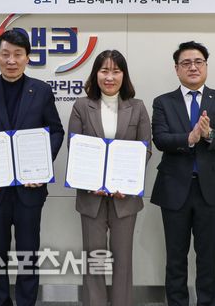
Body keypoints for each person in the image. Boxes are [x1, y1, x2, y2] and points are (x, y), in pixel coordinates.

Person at [0, 29, 64, 306]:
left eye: (18, 54)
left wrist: (43, 167)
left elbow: (56, 131)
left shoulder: (41, 90)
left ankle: (26, 301)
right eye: (5, 54)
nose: (11, 60)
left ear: (27, 57)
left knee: (28, 252)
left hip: (29, 188)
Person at [150, 40, 215, 306]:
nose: (193, 67)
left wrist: (209, 134)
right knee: (175, 257)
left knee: (207, 257)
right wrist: (189, 138)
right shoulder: (163, 102)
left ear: (206, 66)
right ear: (176, 69)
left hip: (211, 189)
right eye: (186, 63)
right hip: (174, 188)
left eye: (198, 62)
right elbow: (160, 139)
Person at [67, 50, 151, 306]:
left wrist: (124, 181)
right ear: (96, 74)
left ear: (124, 75)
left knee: (123, 260)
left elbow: (145, 150)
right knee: (94, 260)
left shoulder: (137, 107)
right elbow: (75, 148)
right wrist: (92, 182)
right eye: (104, 71)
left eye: (116, 71)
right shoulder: (82, 106)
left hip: (124, 197)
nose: (109, 77)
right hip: (91, 196)